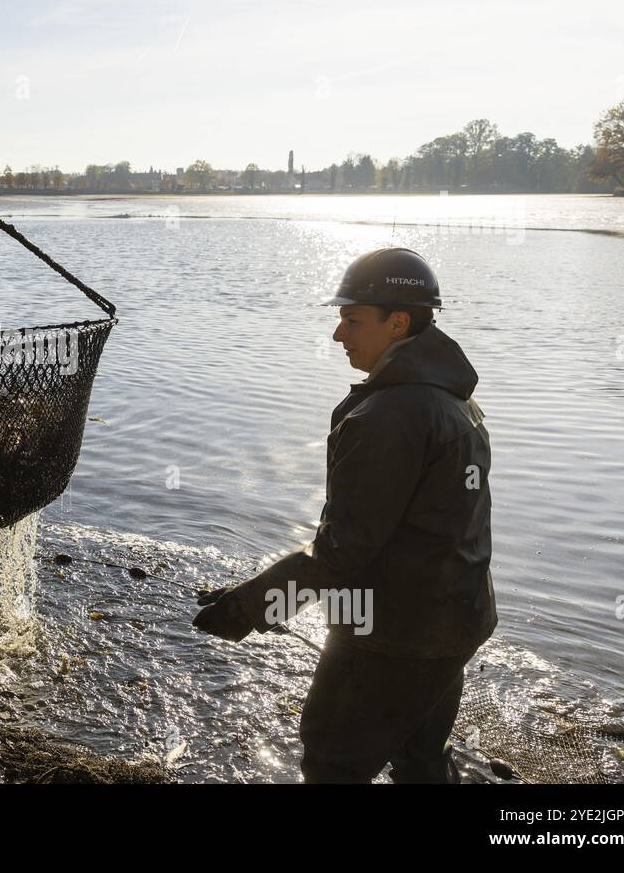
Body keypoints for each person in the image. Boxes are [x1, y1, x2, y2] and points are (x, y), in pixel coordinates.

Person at [193, 247, 496, 783]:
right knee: (420, 756)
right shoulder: (452, 399)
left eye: (352, 320)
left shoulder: (391, 413)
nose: (338, 334)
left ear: (398, 322)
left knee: (334, 758)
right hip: (455, 619)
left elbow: (343, 552)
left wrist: (249, 607)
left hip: (393, 631)